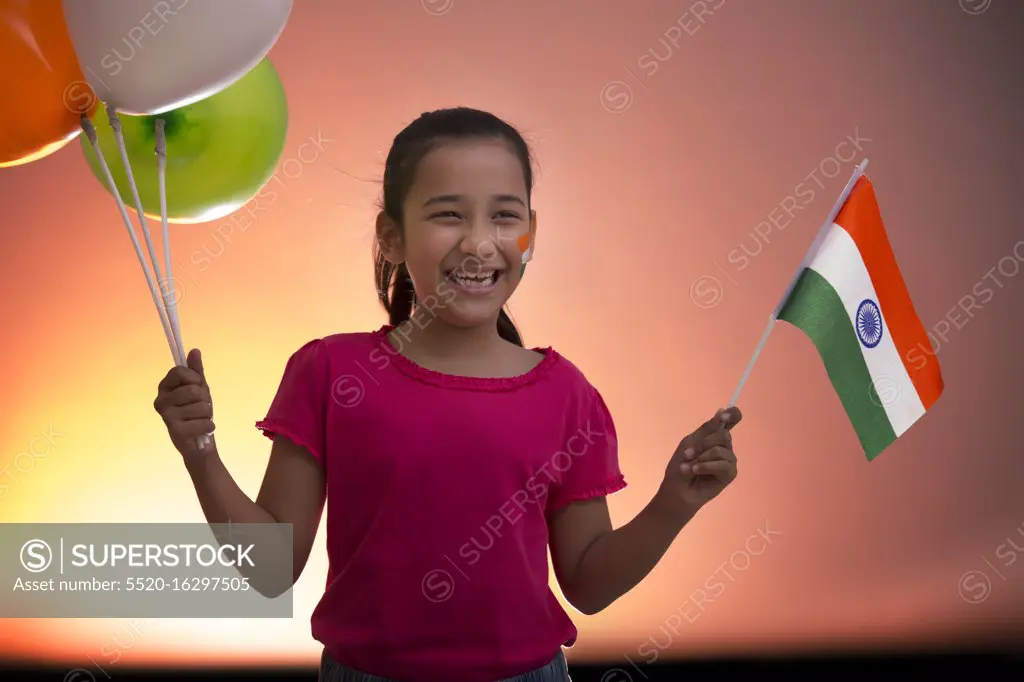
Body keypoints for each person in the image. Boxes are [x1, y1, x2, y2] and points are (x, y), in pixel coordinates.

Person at [153, 107, 742, 682]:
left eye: (505, 217)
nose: (480, 243)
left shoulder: (567, 395)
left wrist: (675, 503)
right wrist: (200, 454)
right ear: (391, 236)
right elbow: (272, 568)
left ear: (530, 231)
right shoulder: (330, 372)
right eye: (448, 215)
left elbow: (588, 587)